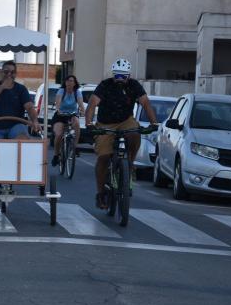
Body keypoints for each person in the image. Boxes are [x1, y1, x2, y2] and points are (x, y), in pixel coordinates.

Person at [85, 58, 159, 209]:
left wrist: (154, 123)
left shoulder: (134, 85)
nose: (120, 79)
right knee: (103, 157)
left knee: (135, 132)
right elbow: (92, 104)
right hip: (106, 123)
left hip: (126, 120)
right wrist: (89, 124)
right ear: (113, 75)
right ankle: (100, 194)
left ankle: (129, 165)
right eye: (117, 76)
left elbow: (145, 103)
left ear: (129, 76)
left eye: (123, 76)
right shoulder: (105, 85)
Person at [0, 60, 42, 211]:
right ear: (1, 73)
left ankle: (14, 169)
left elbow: (29, 107)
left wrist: (35, 121)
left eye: (12, 72)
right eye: (6, 72)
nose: (9, 74)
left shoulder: (21, 89)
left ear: (16, 74)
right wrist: (3, 86)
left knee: (22, 139)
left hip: (15, 125)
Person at [51, 75, 86, 166]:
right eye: (67, 81)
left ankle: (75, 146)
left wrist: (82, 110)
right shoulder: (61, 91)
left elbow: (80, 103)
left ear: (75, 83)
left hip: (72, 114)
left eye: (71, 81)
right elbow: (58, 102)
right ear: (65, 82)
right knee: (58, 134)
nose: (69, 83)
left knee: (77, 124)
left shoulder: (77, 92)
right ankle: (56, 155)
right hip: (60, 115)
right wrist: (58, 109)